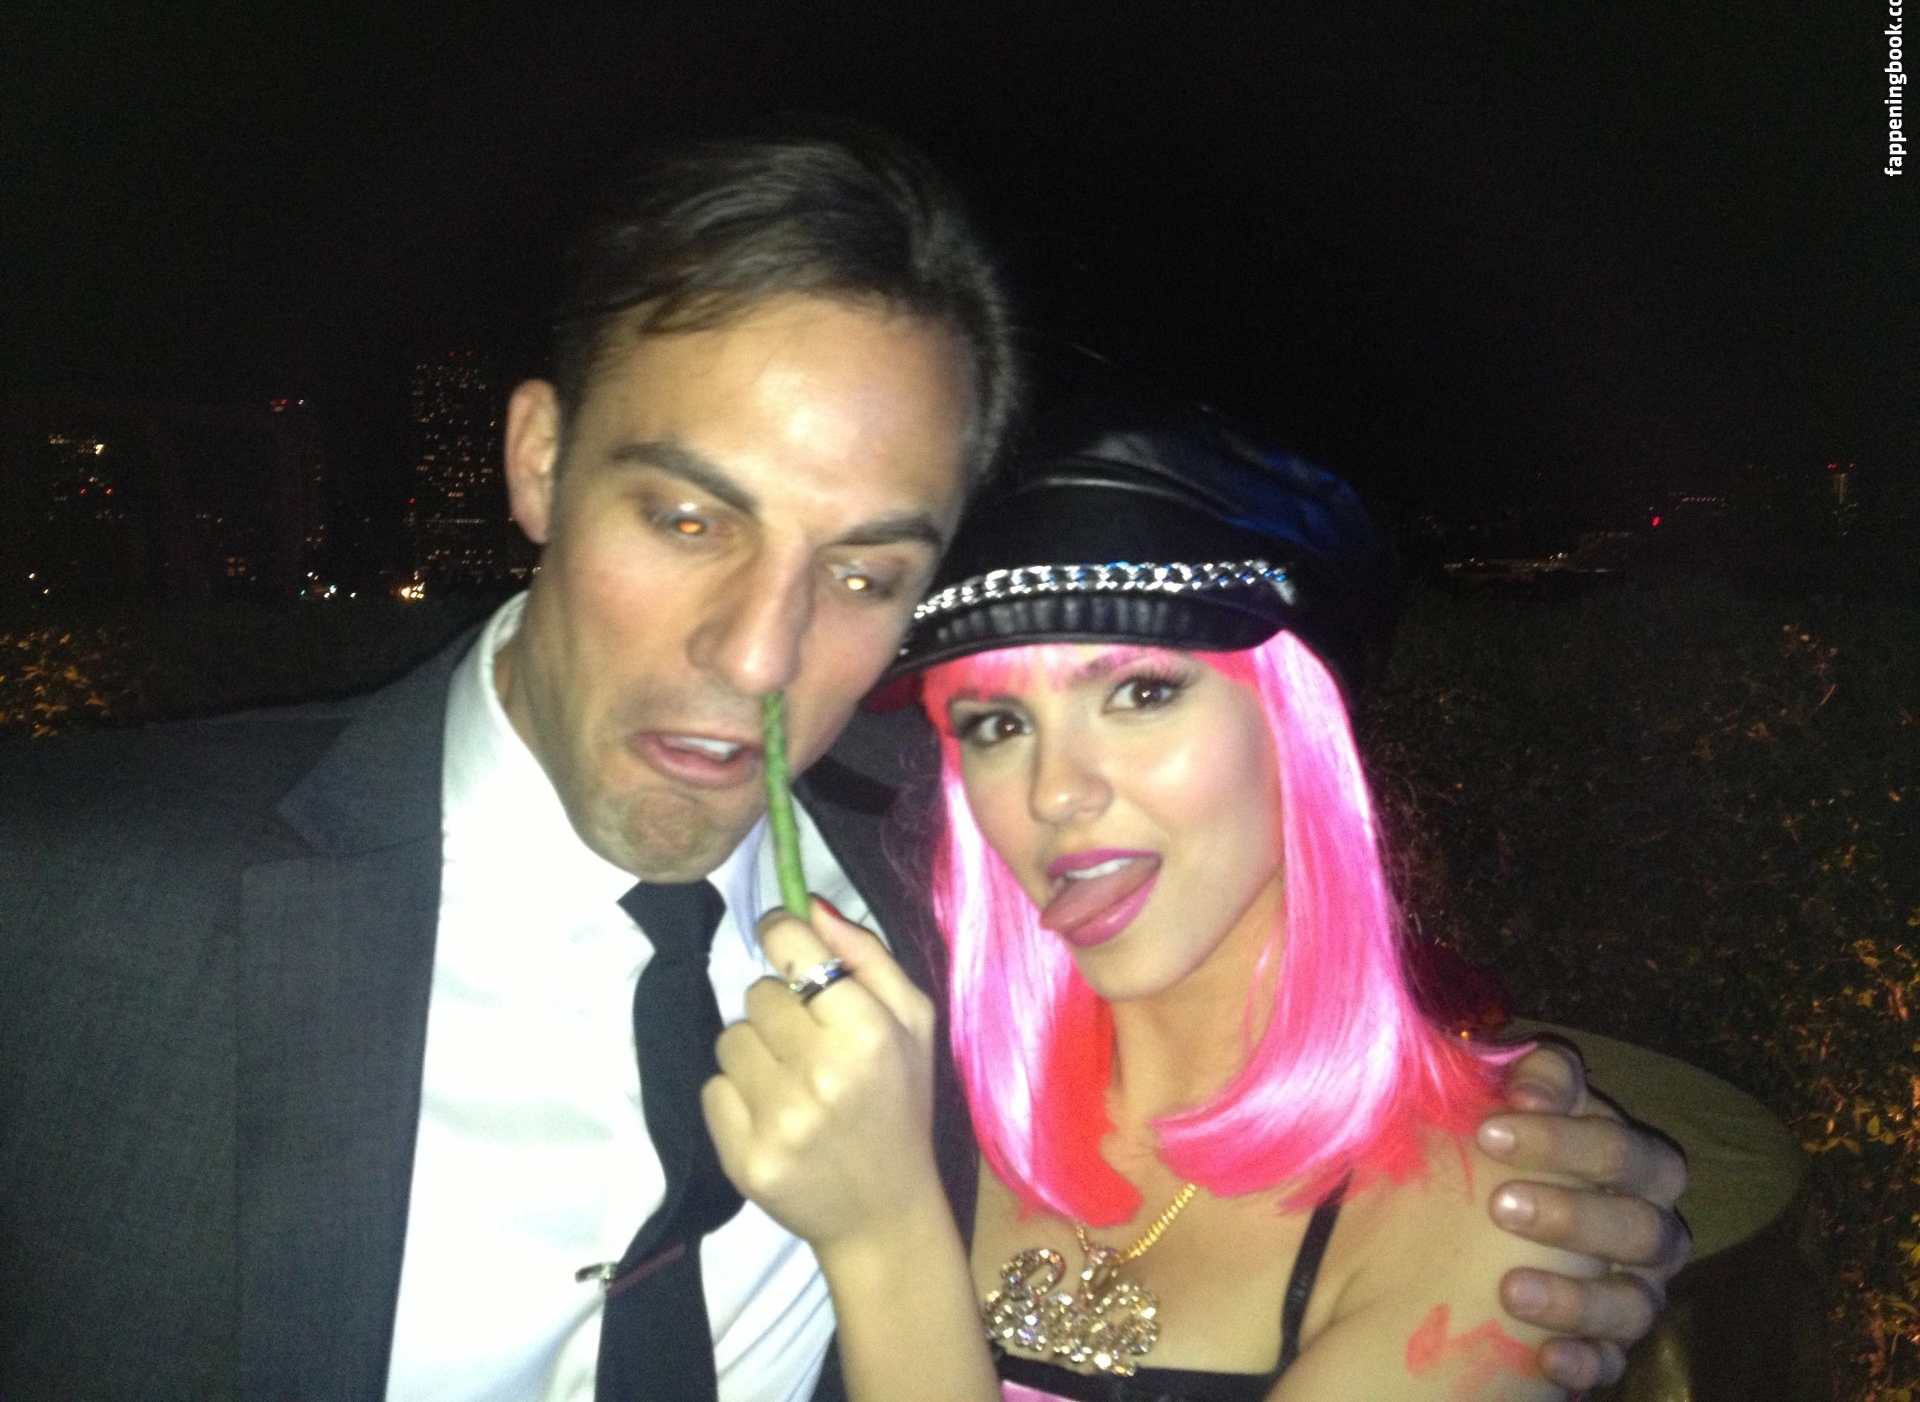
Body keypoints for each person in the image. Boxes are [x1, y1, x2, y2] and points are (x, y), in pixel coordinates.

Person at [0, 127, 1681, 1402]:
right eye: (687, 518)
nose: (757, 657)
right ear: (536, 459)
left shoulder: (931, 917)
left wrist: (1569, 1171)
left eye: (866, 575)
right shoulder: (64, 918)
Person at [706, 413, 1687, 1400]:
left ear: (1295, 721)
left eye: (1140, 694)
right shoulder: (910, 1084)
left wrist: (886, 1240)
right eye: (999, 723)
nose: (1056, 792)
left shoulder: (1495, 1211)